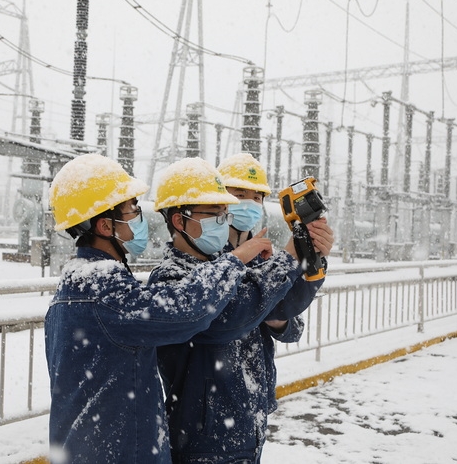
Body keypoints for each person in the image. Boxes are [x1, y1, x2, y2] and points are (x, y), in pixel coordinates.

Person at [44, 154, 272, 464]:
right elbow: (190, 309)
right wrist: (234, 261)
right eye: (132, 209)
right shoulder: (105, 292)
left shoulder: (71, 289)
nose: (140, 217)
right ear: (105, 225)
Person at [152, 154, 334, 464]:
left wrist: (311, 260)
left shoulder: (258, 257)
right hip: (203, 431)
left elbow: (287, 315)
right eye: (237, 197)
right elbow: (227, 319)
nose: (247, 205)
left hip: (248, 419)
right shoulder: (184, 274)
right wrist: (286, 262)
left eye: (256, 197)